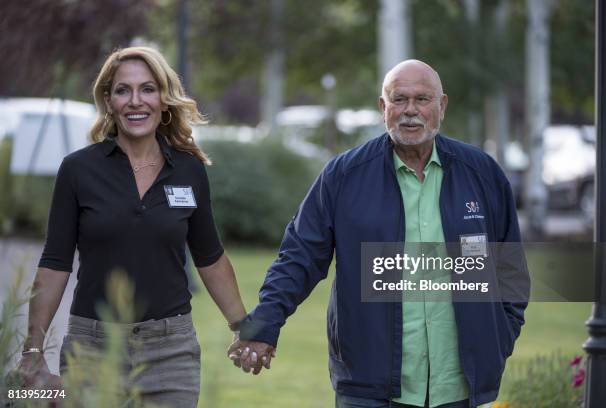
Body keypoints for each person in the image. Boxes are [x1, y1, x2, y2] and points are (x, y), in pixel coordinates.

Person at [229, 60, 529, 408]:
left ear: (442, 106)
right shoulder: (343, 176)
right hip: (369, 388)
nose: (411, 111)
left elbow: (511, 272)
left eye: (422, 99)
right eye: (399, 100)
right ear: (382, 108)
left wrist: (497, 340)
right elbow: (299, 257)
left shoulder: (482, 173)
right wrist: (264, 325)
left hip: (459, 389)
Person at [15, 46, 247, 407]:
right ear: (108, 101)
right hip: (92, 350)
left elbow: (210, 257)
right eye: (123, 90)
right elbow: (55, 263)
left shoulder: (189, 170)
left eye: (148, 89)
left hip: (171, 352)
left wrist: (244, 329)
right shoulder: (78, 170)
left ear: (164, 99)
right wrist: (33, 352)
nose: (135, 101)